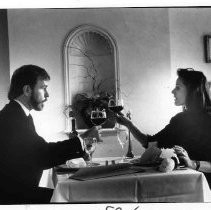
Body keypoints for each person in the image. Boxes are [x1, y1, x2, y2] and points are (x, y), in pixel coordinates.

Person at [0, 64, 96, 204]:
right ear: (27, 90)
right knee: (75, 198)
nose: (47, 95)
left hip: (18, 193)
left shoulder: (17, 114)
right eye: (43, 88)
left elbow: (38, 150)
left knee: (70, 195)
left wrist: (79, 144)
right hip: (13, 199)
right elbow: (43, 155)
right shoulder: (13, 118)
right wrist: (82, 140)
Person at [116, 68, 211, 187]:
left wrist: (193, 163)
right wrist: (129, 125)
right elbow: (150, 143)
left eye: (178, 87)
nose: (172, 91)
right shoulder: (180, 120)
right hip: (186, 183)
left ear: (192, 90)